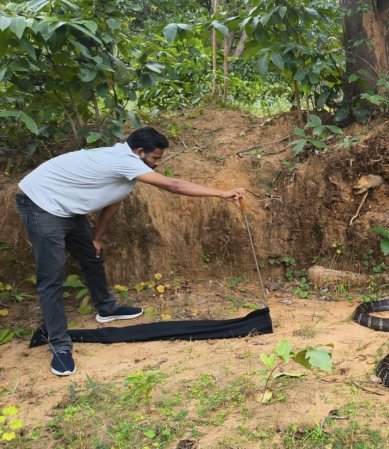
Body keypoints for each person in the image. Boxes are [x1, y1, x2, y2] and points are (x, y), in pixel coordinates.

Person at [15, 126, 245, 376]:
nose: (157, 164)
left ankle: (107, 309)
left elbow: (112, 202)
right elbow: (174, 185)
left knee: (92, 254)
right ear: (139, 152)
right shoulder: (124, 162)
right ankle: (59, 345)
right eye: (156, 158)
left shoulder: (127, 167)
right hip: (40, 203)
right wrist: (221, 193)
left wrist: (97, 237)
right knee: (51, 279)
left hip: (67, 206)